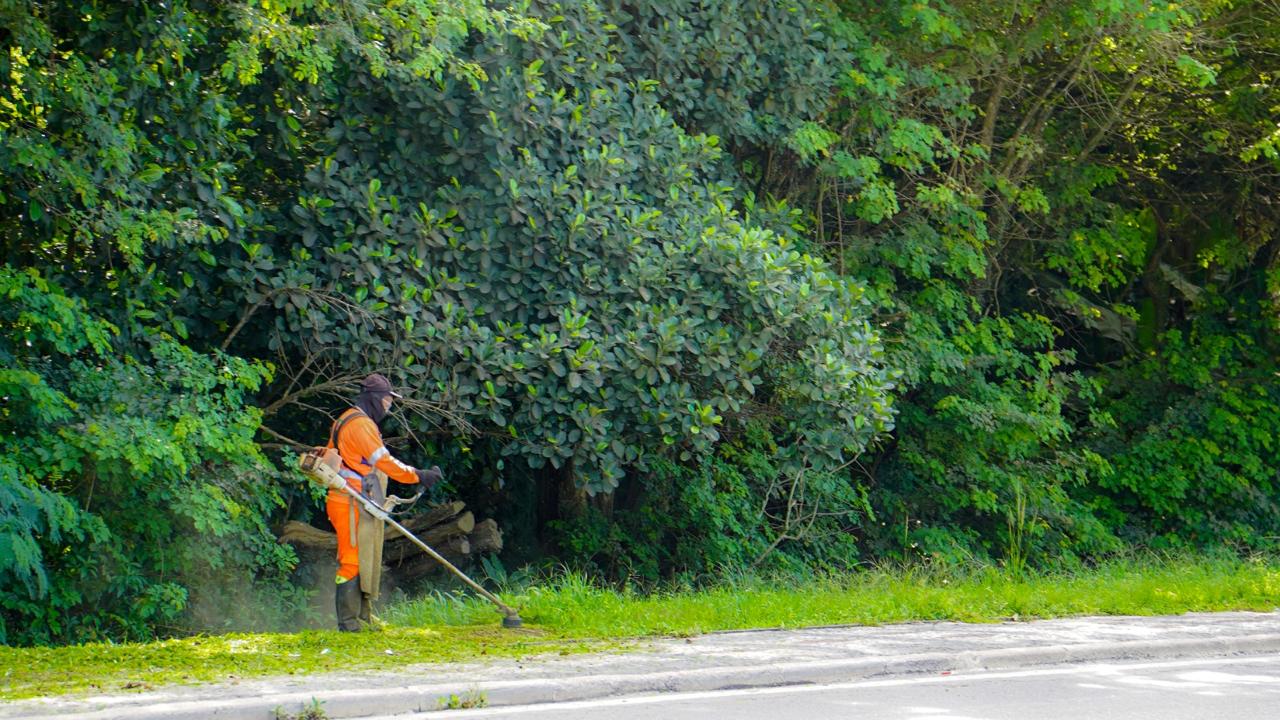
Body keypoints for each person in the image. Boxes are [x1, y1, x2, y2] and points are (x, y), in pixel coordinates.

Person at [325, 373, 442, 631]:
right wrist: (418, 476)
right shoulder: (361, 425)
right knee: (352, 560)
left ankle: (363, 618)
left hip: (355, 499)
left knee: (364, 557)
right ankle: (349, 623)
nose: (389, 406)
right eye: (388, 400)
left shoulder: (345, 418)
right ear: (375, 398)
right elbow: (385, 462)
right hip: (349, 500)